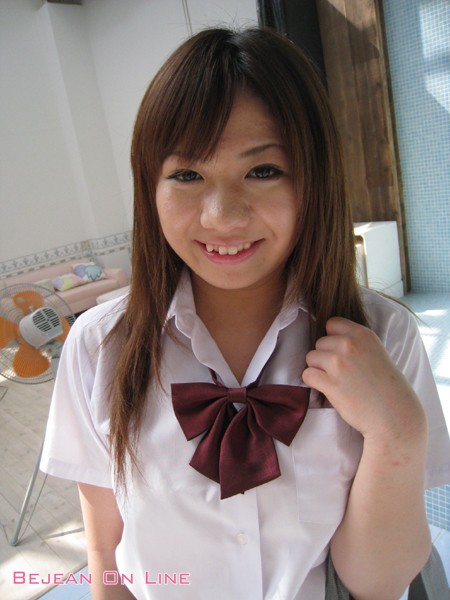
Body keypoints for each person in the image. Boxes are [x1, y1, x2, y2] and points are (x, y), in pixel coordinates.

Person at [40, 27, 450, 600]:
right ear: (150, 187)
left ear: (314, 179)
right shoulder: (98, 345)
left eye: (263, 171)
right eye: (187, 175)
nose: (222, 216)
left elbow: (378, 585)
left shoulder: (382, 335)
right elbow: (106, 550)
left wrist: (397, 432)